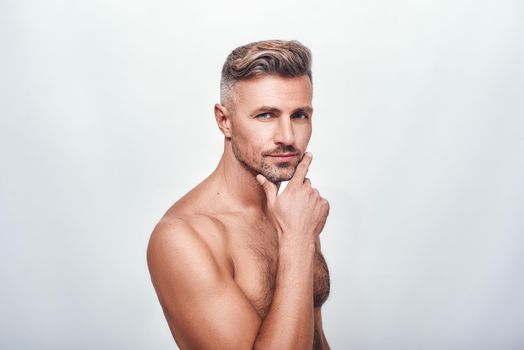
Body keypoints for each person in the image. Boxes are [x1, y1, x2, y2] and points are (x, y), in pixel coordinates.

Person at [147, 39, 331, 350]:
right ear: (225, 121)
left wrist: (297, 232)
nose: (287, 137)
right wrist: (297, 241)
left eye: (299, 115)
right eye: (265, 116)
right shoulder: (184, 238)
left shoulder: (294, 210)